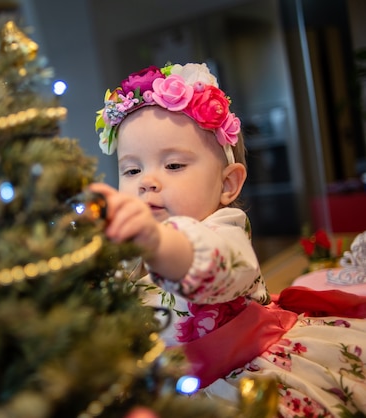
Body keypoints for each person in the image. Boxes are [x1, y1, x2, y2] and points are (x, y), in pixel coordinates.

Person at [90, 62, 366, 417]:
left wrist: (159, 242)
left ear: (227, 184)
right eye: (132, 170)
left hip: (245, 379)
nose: (147, 182)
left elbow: (220, 263)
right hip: (165, 390)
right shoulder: (125, 250)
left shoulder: (224, 229)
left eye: (173, 165)